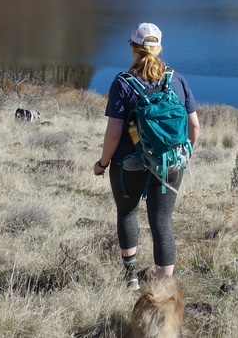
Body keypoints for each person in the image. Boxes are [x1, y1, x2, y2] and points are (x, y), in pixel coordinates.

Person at [94, 22, 199, 288]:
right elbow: (194, 125)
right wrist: (184, 156)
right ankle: (165, 288)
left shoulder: (123, 83)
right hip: (170, 165)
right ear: (159, 48)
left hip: (128, 166)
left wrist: (102, 163)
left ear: (133, 48)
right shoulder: (176, 79)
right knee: (161, 221)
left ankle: (130, 279)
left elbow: (114, 133)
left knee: (127, 214)